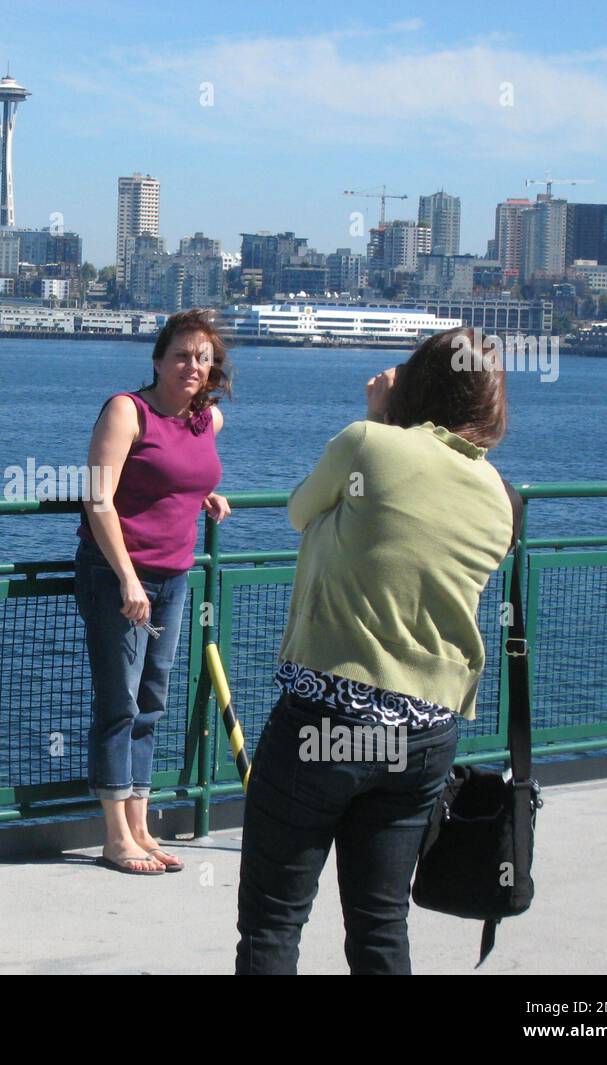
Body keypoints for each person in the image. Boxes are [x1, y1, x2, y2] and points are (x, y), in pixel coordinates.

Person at [235, 326, 514, 971]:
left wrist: (380, 417)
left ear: (416, 384)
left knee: (274, 922)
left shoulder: (369, 444)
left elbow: (300, 511)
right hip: (424, 738)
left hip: (326, 726)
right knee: (380, 922)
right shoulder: (501, 497)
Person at [74, 309, 232, 875]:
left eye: (203, 358)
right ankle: (115, 836)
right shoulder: (126, 410)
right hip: (119, 577)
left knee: (152, 702)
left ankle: (142, 826)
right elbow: (97, 499)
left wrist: (205, 497)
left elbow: (186, 474)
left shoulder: (206, 421)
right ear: (159, 360)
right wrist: (127, 579)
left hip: (174, 576)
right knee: (118, 702)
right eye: (183, 355)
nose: (193, 366)